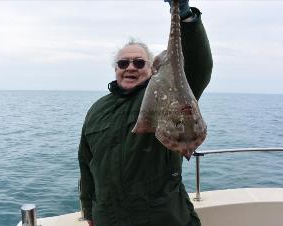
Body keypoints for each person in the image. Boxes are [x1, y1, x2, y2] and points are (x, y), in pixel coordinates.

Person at [78, 0, 213, 225]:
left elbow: (197, 66)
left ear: (151, 69)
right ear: (116, 69)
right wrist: (89, 211)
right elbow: (86, 163)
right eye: (123, 63)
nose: (130, 67)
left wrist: (185, 17)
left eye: (139, 63)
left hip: (162, 218)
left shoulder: (169, 95)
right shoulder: (97, 110)